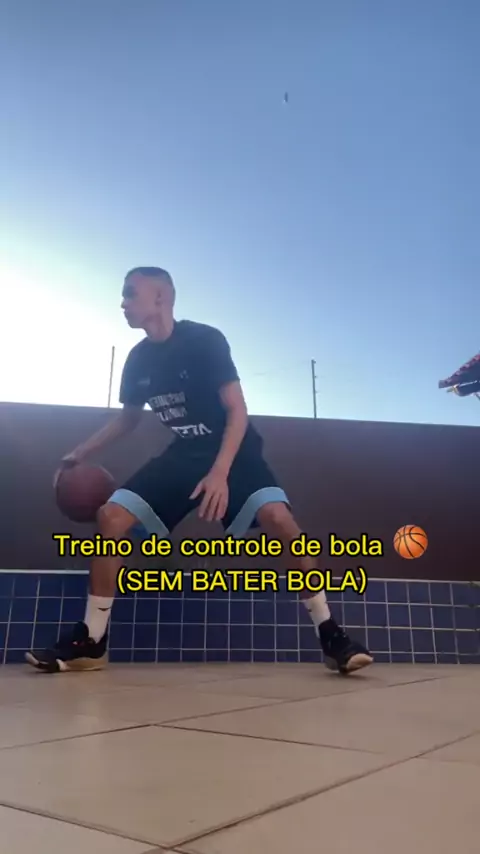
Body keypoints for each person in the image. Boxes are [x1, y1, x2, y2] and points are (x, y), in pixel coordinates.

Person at [26, 267, 373, 675]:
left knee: (279, 519)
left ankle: (331, 634)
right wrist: (78, 454)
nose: (122, 303)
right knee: (111, 516)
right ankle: (92, 641)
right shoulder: (138, 360)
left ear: (160, 298)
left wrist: (220, 473)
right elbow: (128, 420)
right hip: (186, 454)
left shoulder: (204, 340)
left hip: (235, 451)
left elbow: (237, 411)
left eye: (130, 293)